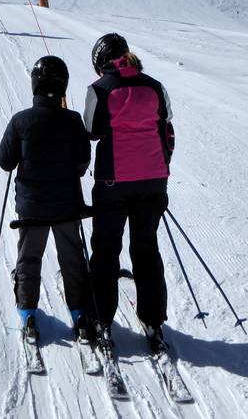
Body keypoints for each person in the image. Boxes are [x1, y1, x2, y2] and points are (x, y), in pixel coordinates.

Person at [84, 33, 174, 353]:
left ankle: (100, 319)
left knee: (106, 249)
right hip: (153, 180)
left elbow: (92, 131)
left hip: (114, 182)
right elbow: (166, 126)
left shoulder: (99, 89)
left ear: (101, 62)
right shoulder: (155, 86)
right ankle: (153, 321)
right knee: (146, 248)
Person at [0, 56, 94, 343]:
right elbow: (82, 161)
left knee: (29, 258)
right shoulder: (73, 120)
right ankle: (80, 315)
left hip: (32, 207)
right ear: (63, 86)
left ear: (35, 85)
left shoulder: (20, 121)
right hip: (66, 206)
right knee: (72, 258)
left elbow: (5, 161)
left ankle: (28, 313)